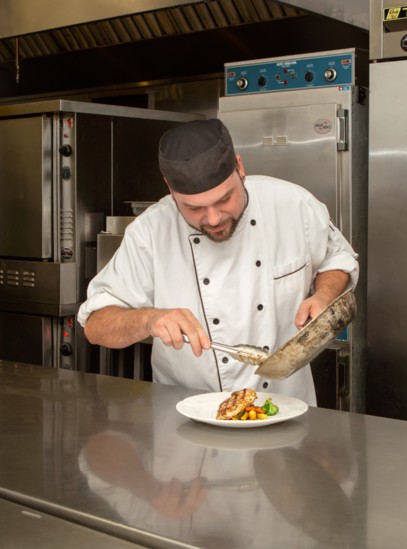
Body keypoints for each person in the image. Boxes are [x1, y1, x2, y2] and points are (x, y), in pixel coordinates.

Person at [77, 118, 358, 404]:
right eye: (194, 208)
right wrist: (150, 319)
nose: (213, 219)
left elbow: (337, 258)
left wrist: (324, 296)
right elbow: (96, 324)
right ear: (170, 189)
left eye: (224, 199)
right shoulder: (150, 232)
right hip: (186, 420)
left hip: (283, 410)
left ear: (240, 167)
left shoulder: (292, 204)